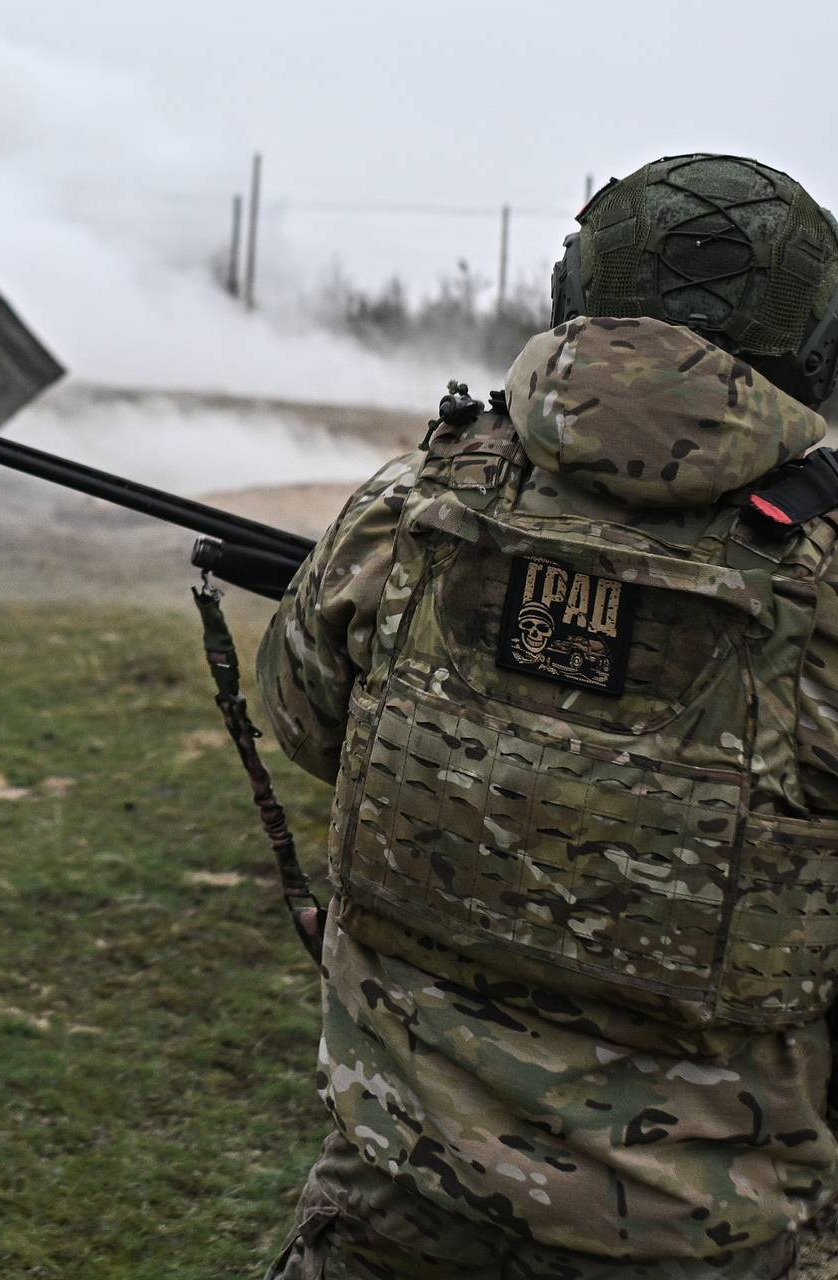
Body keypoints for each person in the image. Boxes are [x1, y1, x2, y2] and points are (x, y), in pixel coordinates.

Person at [256, 153, 838, 1279]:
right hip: (709, 1242)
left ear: (571, 292)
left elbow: (302, 716)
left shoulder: (407, 505)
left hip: (393, 1206)